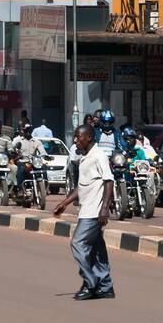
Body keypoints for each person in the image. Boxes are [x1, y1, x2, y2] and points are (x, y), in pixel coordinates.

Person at [53, 124, 115, 300]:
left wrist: (104, 208)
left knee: (78, 244)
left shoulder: (98, 156)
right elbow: (80, 187)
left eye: (78, 137)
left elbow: (109, 181)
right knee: (96, 250)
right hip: (86, 209)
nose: (75, 140)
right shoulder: (85, 158)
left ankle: (90, 282)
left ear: (89, 137)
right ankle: (105, 286)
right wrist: (64, 203)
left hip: (94, 212)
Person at [12, 125, 45, 189]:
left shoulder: (37, 141)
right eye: (26, 131)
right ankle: (20, 188)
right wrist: (16, 152)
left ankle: (45, 187)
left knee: (43, 169)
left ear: (31, 131)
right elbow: (12, 149)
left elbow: (43, 152)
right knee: (21, 169)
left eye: (29, 131)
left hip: (33, 163)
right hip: (22, 161)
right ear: (23, 131)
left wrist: (46, 157)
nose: (28, 133)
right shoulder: (18, 140)